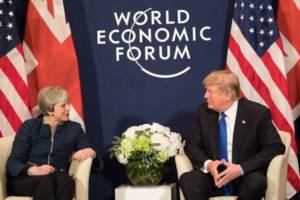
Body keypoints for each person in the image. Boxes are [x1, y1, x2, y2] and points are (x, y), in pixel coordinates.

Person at [179, 70, 285, 200]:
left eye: (210, 91)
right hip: (213, 177)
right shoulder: (203, 112)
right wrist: (209, 164)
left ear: (227, 95)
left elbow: (275, 147)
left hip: (244, 175)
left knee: (256, 182)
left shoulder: (257, 113)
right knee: (188, 179)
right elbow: (191, 146)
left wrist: (240, 168)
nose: (205, 96)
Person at [6, 86, 96, 200]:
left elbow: (87, 147)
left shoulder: (74, 128)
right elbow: (13, 162)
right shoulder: (30, 126)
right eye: (63, 105)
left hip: (57, 177)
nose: (69, 108)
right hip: (26, 179)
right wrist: (32, 170)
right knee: (45, 181)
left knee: (66, 181)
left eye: (68, 104)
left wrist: (89, 151)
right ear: (49, 110)